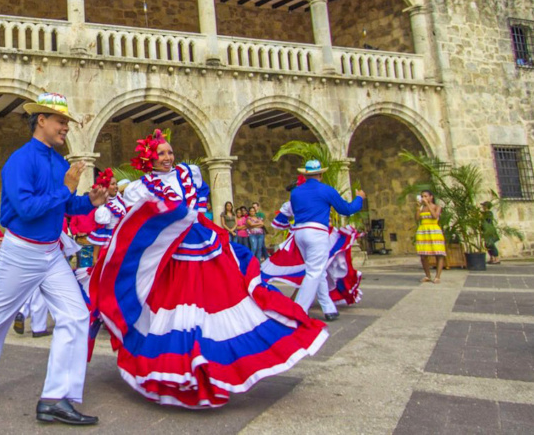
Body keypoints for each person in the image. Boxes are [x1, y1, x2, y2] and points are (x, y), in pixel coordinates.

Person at [88, 129, 328, 408]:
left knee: (220, 301)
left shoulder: (189, 174)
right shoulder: (140, 188)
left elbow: (199, 199)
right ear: (149, 159)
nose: (168, 157)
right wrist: (104, 210)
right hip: (173, 259)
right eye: (161, 154)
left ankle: (215, 363)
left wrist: (191, 215)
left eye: (170, 152)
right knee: (177, 311)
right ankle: (181, 368)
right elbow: (119, 215)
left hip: (205, 248)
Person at [0, 92, 107, 425]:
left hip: (51, 252)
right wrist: (67, 189)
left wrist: (90, 201)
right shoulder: (20, 160)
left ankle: (55, 398)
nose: (66, 127)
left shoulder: (58, 162)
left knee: (76, 315)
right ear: (41, 120)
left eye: (67, 122)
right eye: (61, 121)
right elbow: (25, 209)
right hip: (21, 251)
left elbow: (65, 207)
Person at [290, 160, 365, 320]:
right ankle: (298, 310)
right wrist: (359, 199)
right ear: (321, 174)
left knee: (319, 271)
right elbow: (346, 209)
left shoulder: (296, 192)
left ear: (305, 174)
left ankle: (328, 308)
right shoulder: (326, 190)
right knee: (314, 272)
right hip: (317, 232)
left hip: (300, 232)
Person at [87, 169, 126, 248]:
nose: (116, 186)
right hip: (111, 242)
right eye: (112, 184)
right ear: (106, 187)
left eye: (116, 184)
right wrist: (95, 258)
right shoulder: (103, 208)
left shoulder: (119, 198)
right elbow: (100, 233)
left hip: (123, 237)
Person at [416, 190, 445, 283]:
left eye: (426, 196)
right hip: (423, 231)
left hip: (434, 231)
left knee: (438, 254)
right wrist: (418, 208)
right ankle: (427, 275)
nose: (424, 198)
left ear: (431, 197)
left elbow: (435, 216)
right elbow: (417, 219)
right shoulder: (421, 208)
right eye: (422, 196)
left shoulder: (437, 207)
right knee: (423, 255)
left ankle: (437, 276)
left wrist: (428, 205)